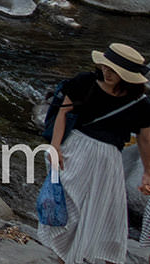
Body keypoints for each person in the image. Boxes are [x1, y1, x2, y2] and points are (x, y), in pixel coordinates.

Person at [41, 43, 150, 263]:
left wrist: (148, 172)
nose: (108, 73)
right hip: (76, 148)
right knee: (69, 205)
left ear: (127, 76)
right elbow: (64, 111)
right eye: (106, 68)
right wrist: (55, 146)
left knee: (107, 211)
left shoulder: (140, 103)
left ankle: (102, 255)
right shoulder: (85, 82)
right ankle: (63, 256)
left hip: (109, 159)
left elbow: (145, 139)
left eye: (115, 72)